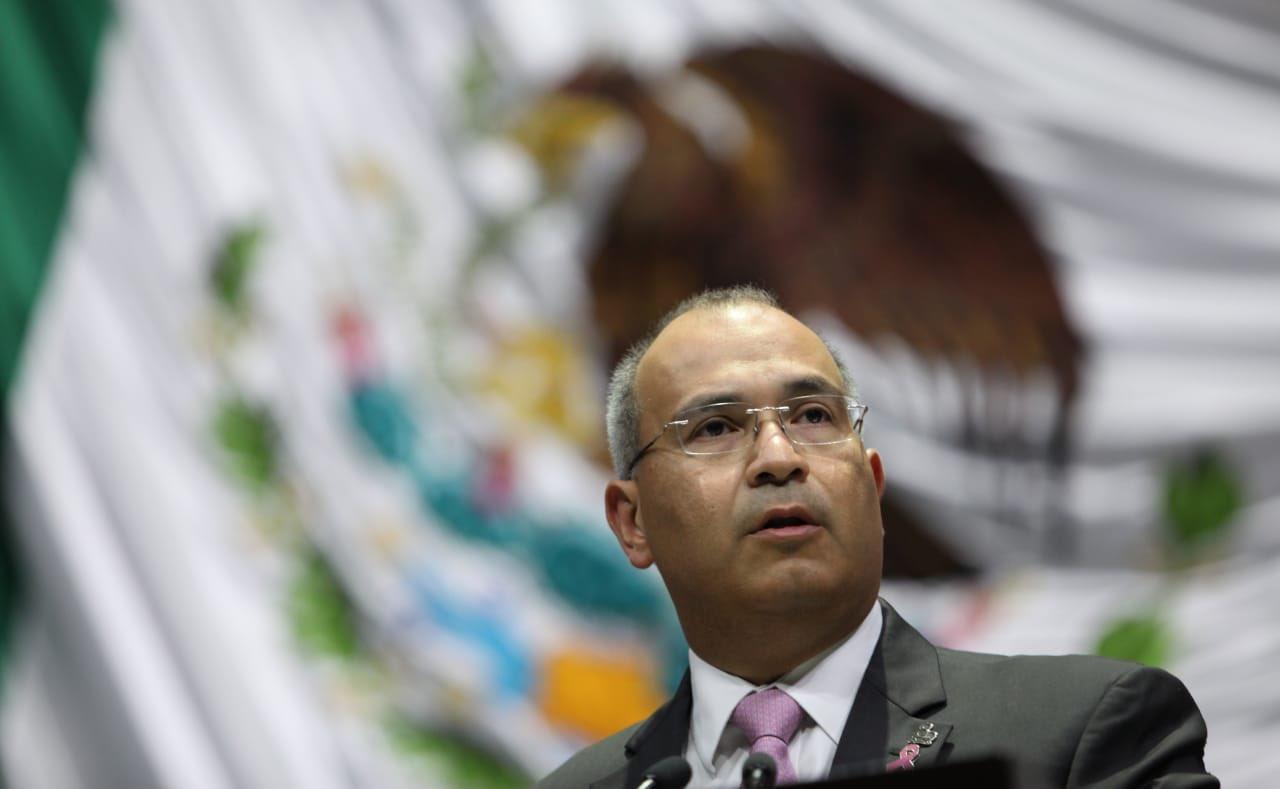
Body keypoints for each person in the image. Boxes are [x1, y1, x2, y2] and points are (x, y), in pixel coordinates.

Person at [537, 286, 1216, 788]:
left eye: (813, 415)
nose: (778, 456)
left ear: (874, 484)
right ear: (632, 522)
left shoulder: (1080, 731)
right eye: (715, 427)